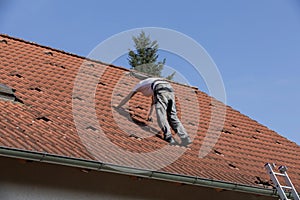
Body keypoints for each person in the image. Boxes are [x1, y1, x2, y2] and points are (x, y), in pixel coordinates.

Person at [116, 77, 192, 146]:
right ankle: (185, 138)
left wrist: (118, 106)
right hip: (169, 88)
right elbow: (153, 101)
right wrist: (149, 115)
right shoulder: (150, 83)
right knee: (172, 115)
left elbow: (128, 97)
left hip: (160, 87)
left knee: (161, 114)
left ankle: (168, 136)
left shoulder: (139, 85)